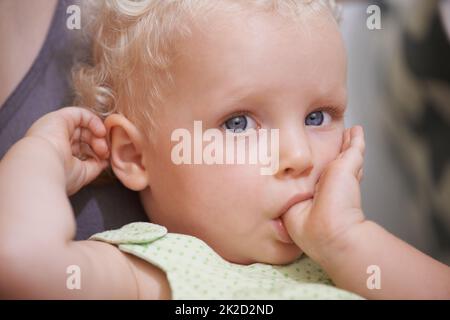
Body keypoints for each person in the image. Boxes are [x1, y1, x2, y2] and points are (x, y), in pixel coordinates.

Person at [0, 0, 449, 299]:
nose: (300, 155)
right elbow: (20, 264)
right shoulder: (154, 270)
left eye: (317, 117)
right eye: (238, 123)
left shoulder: (349, 257)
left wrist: (347, 240)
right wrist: (42, 153)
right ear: (136, 157)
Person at [0, 0, 148, 241]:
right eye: (233, 123)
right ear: (132, 154)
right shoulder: (154, 258)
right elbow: (23, 255)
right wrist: (44, 152)